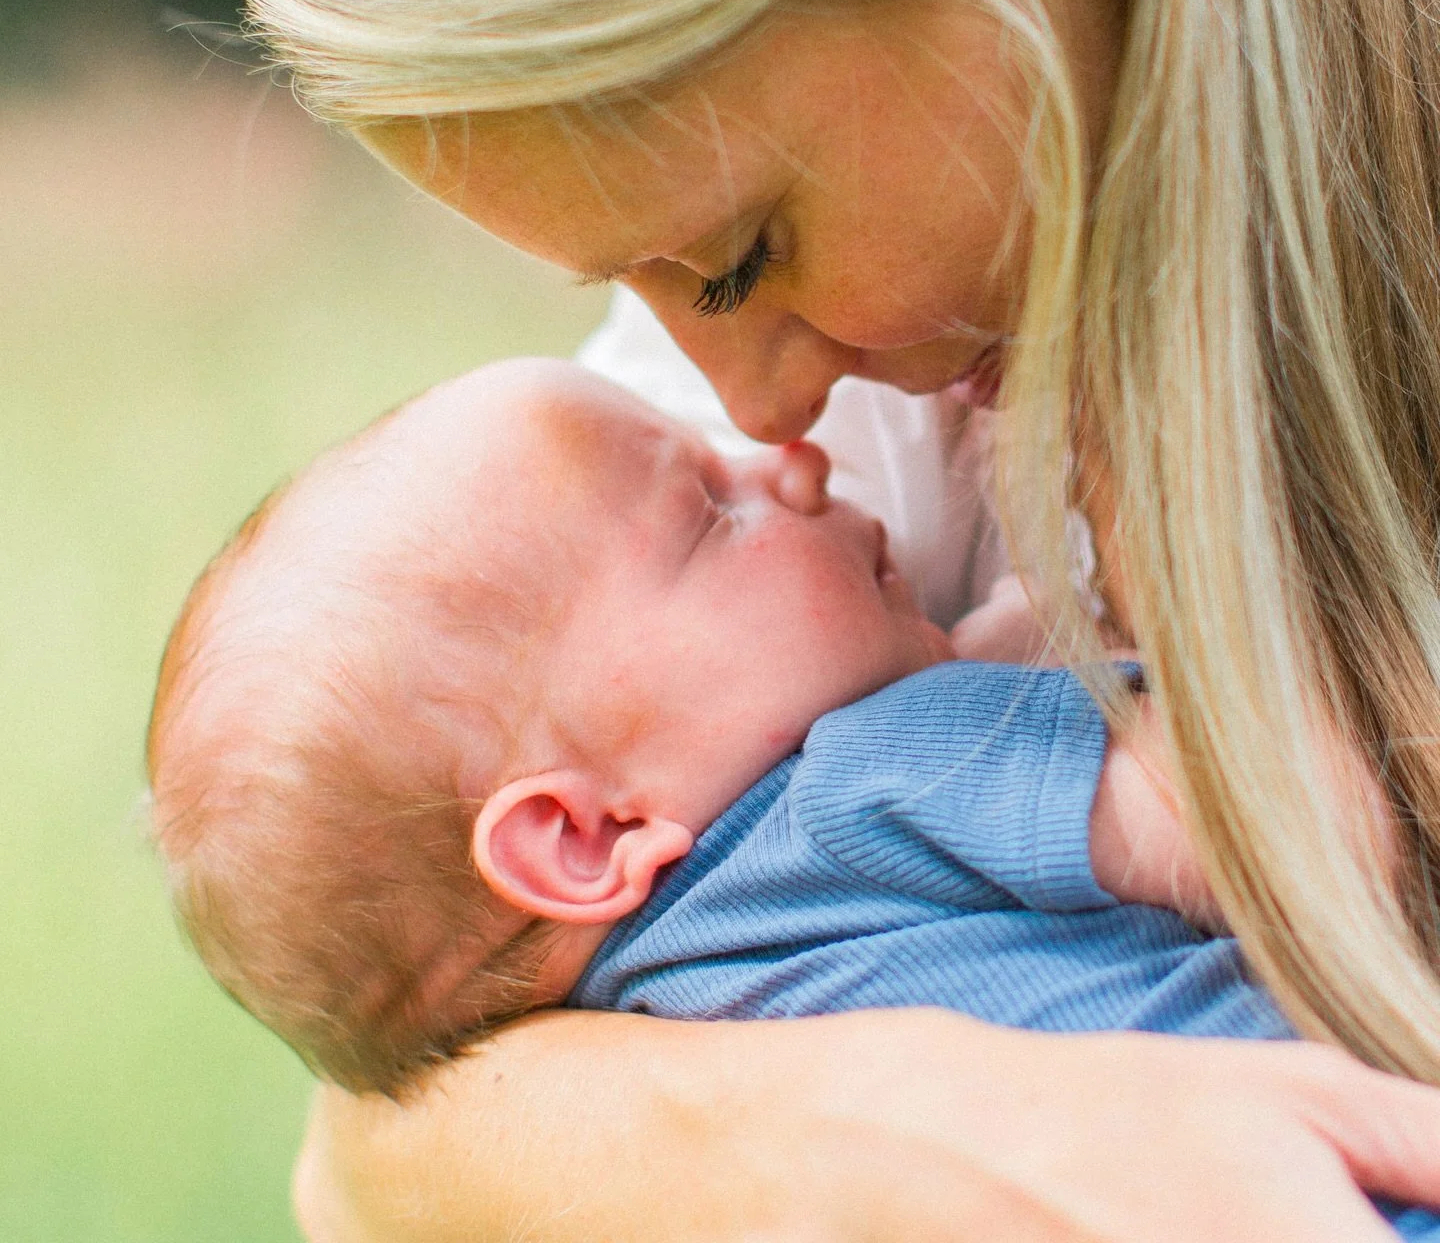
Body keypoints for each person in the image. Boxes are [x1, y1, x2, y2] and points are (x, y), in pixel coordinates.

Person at [203, 0, 1440, 1233]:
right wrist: (850, 1128)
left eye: (742, 256)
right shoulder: (882, 393)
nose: (762, 416)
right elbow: (378, 1120)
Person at [146, 357, 1440, 1235]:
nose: (794, 464)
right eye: (711, 512)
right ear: (583, 836)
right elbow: (1312, 822)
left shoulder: (651, 1025)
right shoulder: (873, 767)